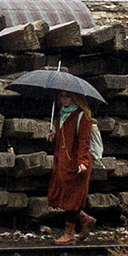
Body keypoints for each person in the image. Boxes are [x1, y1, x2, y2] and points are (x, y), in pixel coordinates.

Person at [47, 94, 99, 243]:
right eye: (62, 96)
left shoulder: (82, 117)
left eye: (68, 97)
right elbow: (64, 138)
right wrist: (53, 137)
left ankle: (69, 233)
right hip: (63, 163)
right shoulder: (61, 115)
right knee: (63, 195)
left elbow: (84, 141)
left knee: (72, 198)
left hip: (77, 164)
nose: (64, 99)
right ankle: (85, 219)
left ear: (76, 99)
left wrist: (82, 161)